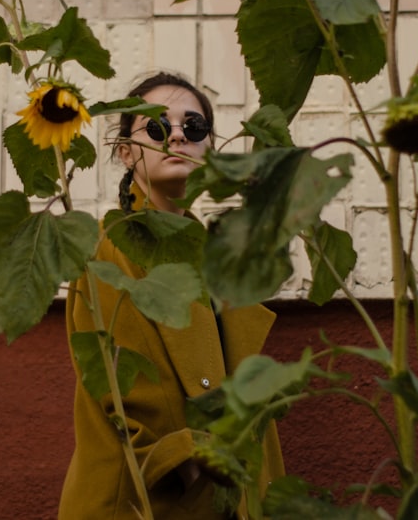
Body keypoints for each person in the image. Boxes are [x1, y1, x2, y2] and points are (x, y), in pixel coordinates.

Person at [59, 72, 285, 519]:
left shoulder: (211, 258)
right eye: (158, 127)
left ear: (210, 151)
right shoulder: (112, 244)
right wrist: (186, 462)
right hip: (149, 496)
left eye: (194, 127)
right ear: (126, 153)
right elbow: (121, 375)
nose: (178, 135)